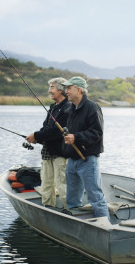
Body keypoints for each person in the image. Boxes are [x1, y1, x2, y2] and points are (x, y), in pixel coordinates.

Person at [62, 76, 109, 218]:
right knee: (72, 200)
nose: (66, 91)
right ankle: (77, 226)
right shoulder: (71, 108)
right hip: (72, 161)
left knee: (95, 198)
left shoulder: (92, 107)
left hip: (87, 160)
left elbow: (97, 133)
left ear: (78, 89)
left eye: (69, 88)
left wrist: (76, 137)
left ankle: (106, 229)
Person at [26, 77, 69, 208]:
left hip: (61, 153)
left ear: (61, 90)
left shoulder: (68, 107)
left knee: (63, 185)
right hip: (47, 152)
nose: (49, 91)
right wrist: (36, 138)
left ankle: (72, 212)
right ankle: (48, 209)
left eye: (52, 87)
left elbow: (56, 132)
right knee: (46, 184)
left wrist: (36, 136)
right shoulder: (53, 107)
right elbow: (46, 128)